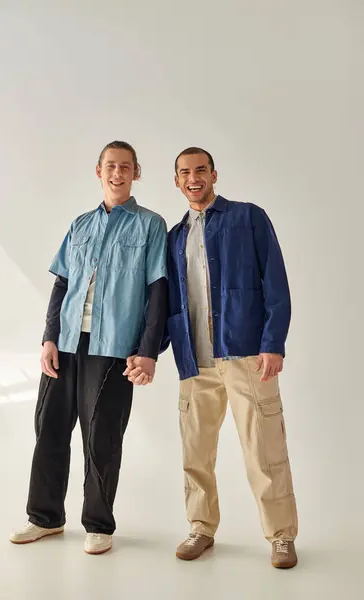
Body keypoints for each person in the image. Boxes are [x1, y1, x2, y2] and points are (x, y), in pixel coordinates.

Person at [129, 146, 298, 568]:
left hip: (246, 357)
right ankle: (201, 527)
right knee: (196, 453)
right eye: (184, 172)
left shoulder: (248, 218)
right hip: (195, 363)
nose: (193, 178)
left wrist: (273, 342)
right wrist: (146, 353)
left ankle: (281, 535)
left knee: (264, 450)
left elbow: (275, 280)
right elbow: (166, 303)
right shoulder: (173, 237)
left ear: (214, 174)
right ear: (176, 181)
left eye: (200, 170)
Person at [10, 141, 168, 555]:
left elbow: (158, 291)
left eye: (126, 167)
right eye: (110, 166)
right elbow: (61, 283)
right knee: (49, 428)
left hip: (114, 346)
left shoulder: (150, 225)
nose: (117, 173)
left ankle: (98, 524)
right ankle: (44, 518)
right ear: (98, 170)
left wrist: (148, 350)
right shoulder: (80, 224)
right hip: (66, 342)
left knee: (102, 436)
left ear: (137, 173)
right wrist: (48, 337)